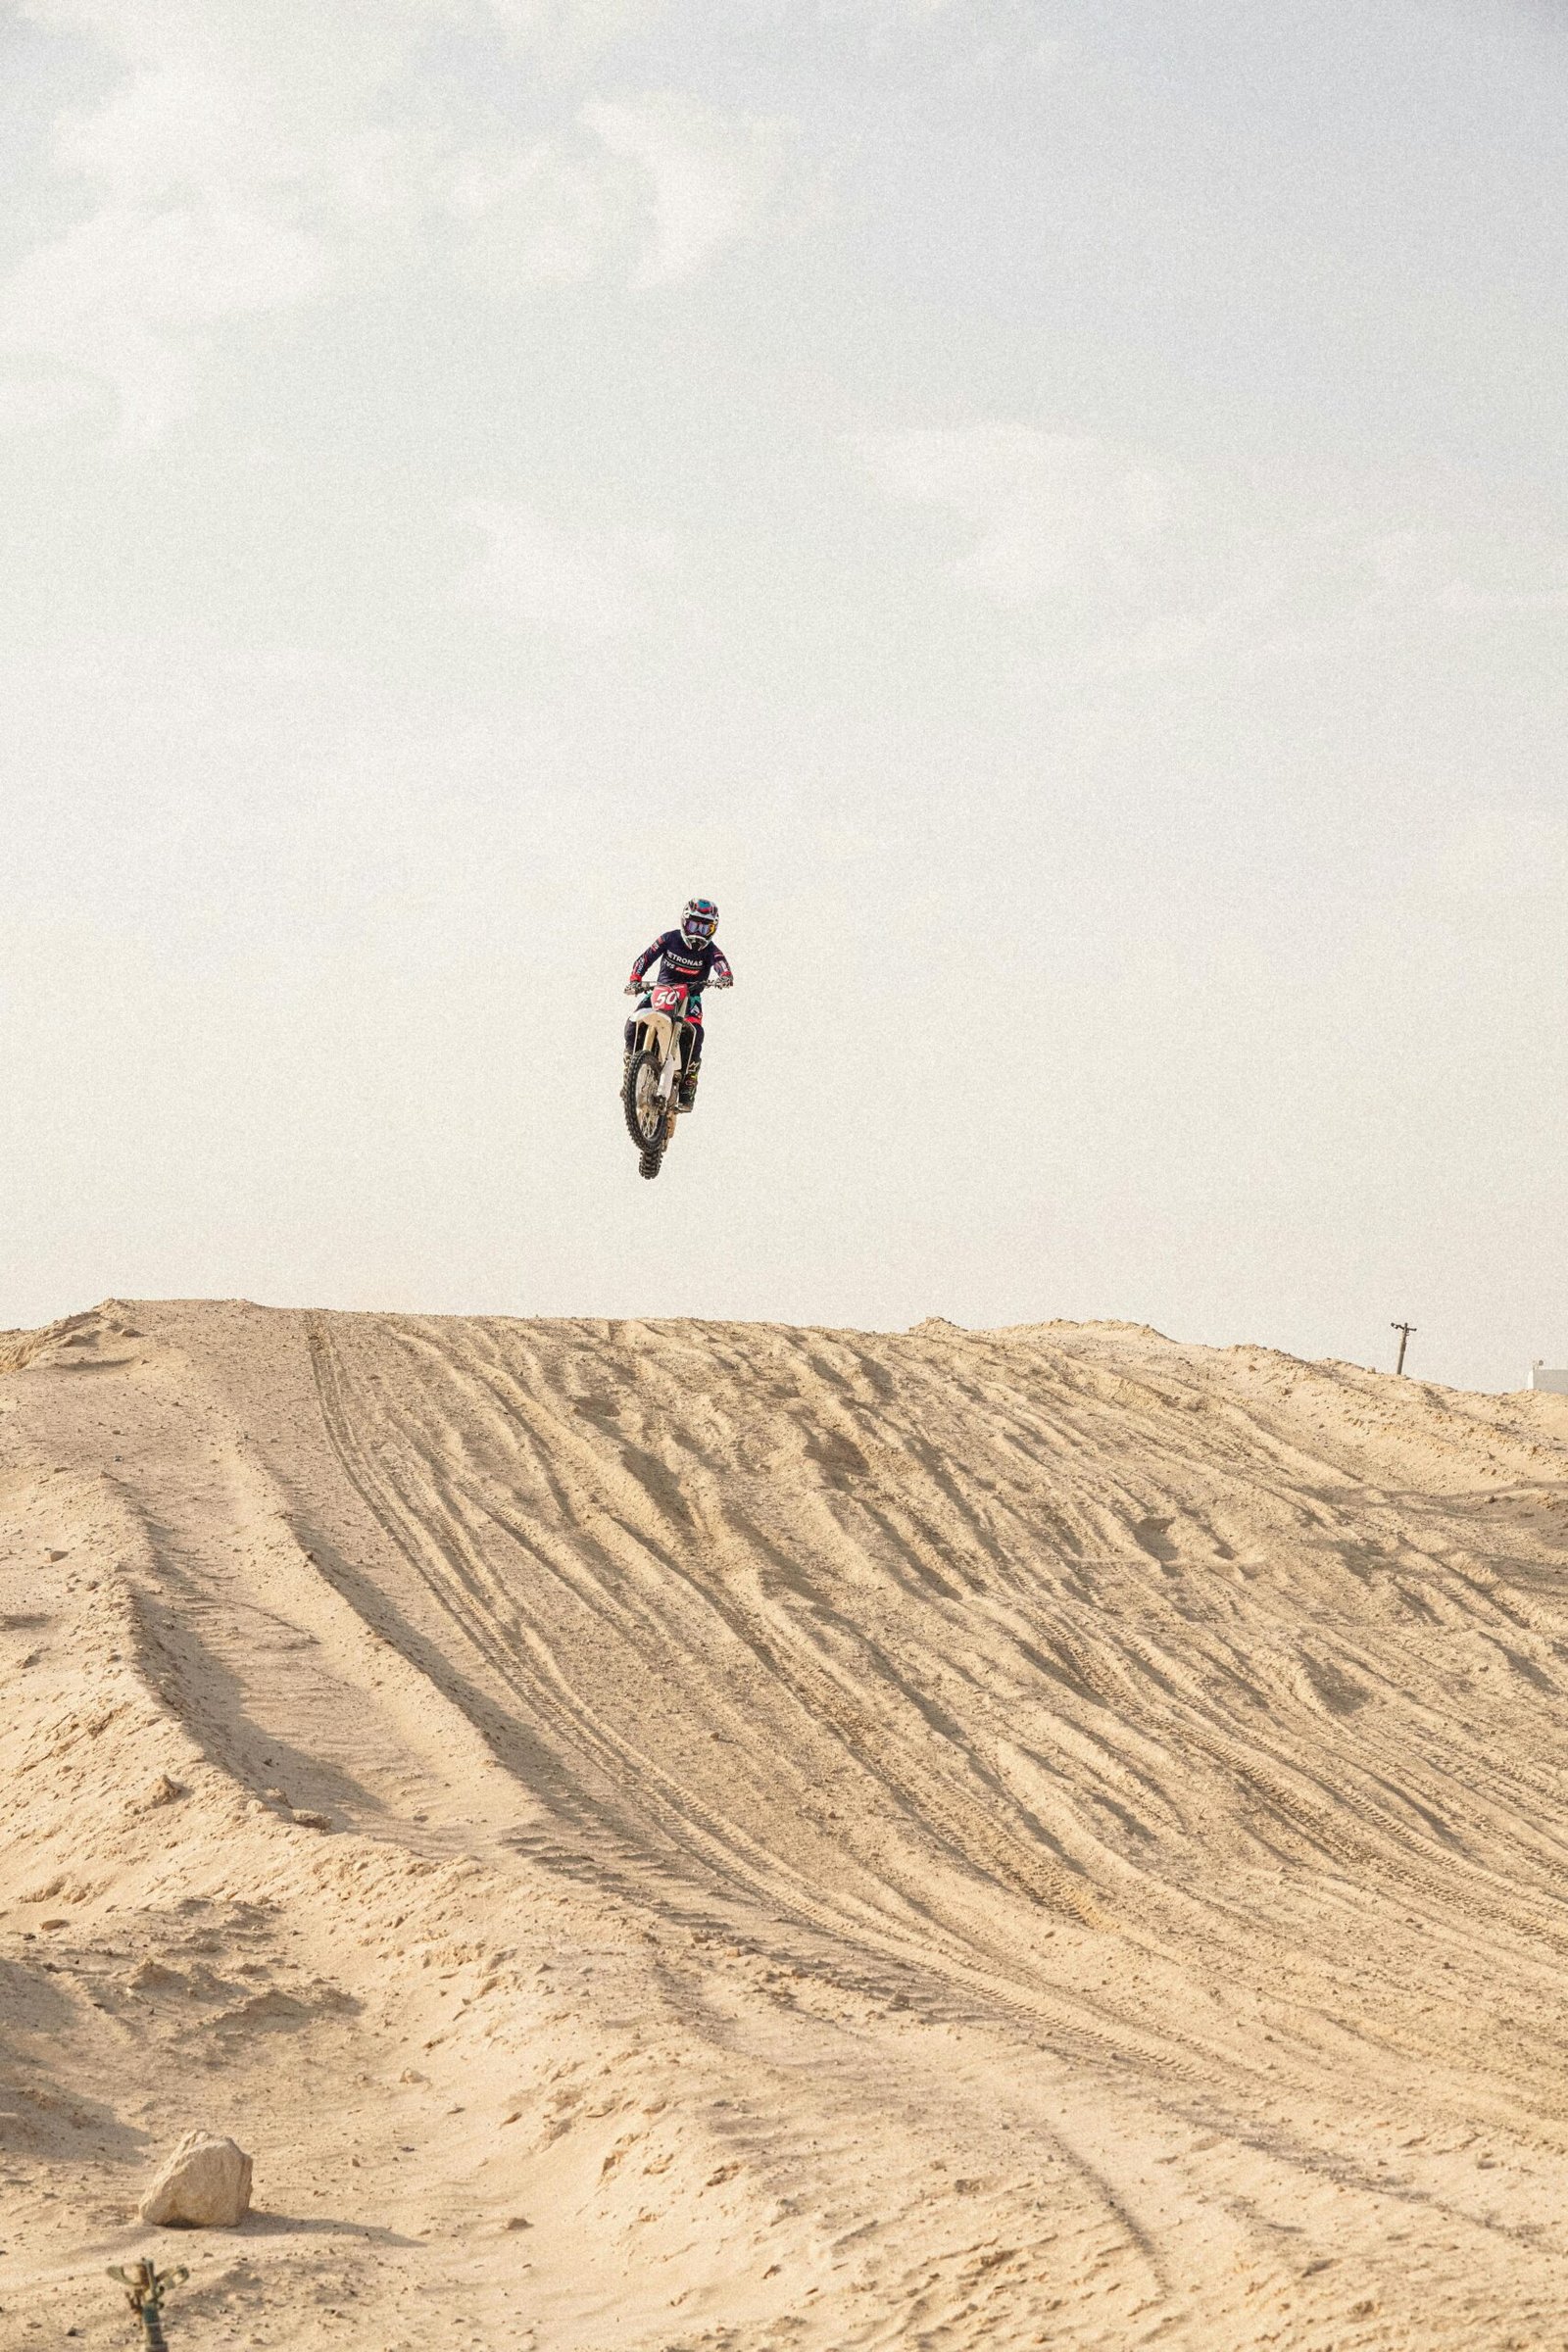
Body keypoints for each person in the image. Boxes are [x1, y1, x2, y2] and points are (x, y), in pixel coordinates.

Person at [624, 898, 733, 1111]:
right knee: (631, 1024)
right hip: (661, 990)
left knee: (695, 1032)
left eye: (704, 928)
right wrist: (635, 979)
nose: (698, 933)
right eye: (694, 925)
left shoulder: (710, 950)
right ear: (684, 922)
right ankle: (630, 1067)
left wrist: (725, 976)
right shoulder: (669, 938)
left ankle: (688, 1085)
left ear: (713, 929)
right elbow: (645, 958)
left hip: (690, 996)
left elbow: (721, 963)